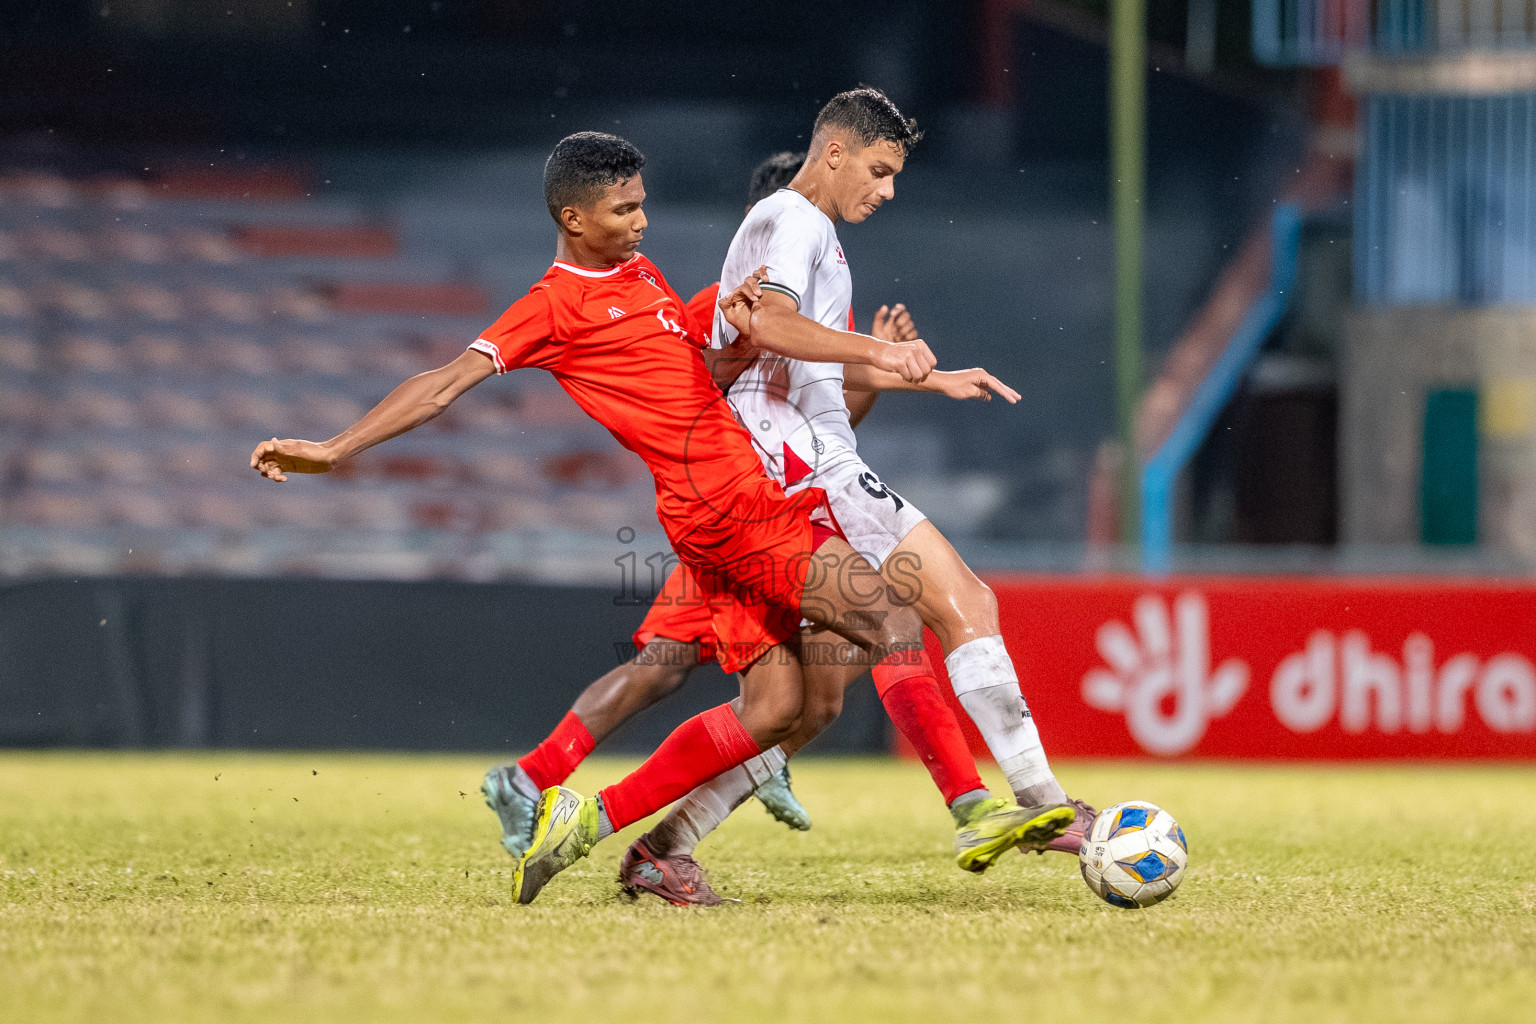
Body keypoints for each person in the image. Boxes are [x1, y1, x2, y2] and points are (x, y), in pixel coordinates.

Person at [250, 131, 1006, 906]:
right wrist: (335, 449)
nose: (643, 221)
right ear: (574, 219)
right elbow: (443, 383)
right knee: (892, 620)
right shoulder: (553, 306)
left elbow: (691, 378)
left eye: (643, 202)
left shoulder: (640, 274)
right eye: (623, 209)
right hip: (729, 509)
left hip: (721, 508)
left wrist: (741, 338)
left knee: (779, 708)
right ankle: (973, 807)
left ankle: (591, 823)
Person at [616, 87, 1093, 904]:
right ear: (833, 151)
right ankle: (1039, 804)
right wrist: (882, 349)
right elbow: (770, 327)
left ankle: (662, 847)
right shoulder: (796, 221)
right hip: (794, 462)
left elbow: (810, 362)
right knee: (952, 604)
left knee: (812, 701)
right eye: (879, 170)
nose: (889, 190)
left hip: (797, 452)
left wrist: (932, 377)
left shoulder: (809, 231)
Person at [481, 153, 986, 890]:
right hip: (733, 520)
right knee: (680, 667)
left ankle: (659, 808)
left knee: (800, 696)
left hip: (782, 512)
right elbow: (681, 383)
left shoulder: (822, 314)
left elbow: (832, 425)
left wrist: (919, 376)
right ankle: (543, 781)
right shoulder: (728, 299)